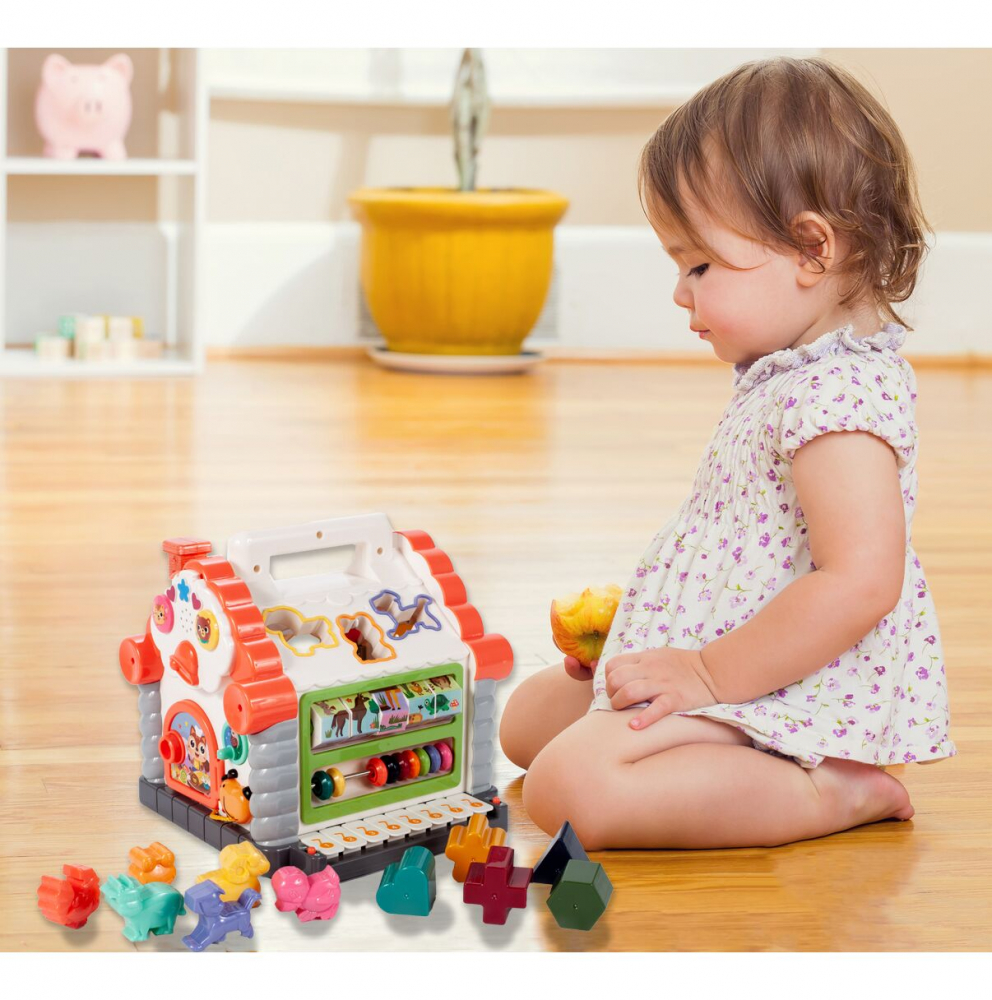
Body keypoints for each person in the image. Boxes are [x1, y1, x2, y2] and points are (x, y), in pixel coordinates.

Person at [499, 57, 955, 851]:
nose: (681, 292)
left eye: (699, 265)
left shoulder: (840, 397)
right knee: (524, 723)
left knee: (569, 787)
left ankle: (826, 788)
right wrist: (653, 634)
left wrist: (707, 673)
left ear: (811, 249)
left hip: (784, 682)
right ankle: (707, 751)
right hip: (725, 651)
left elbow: (861, 581)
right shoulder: (788, 371)